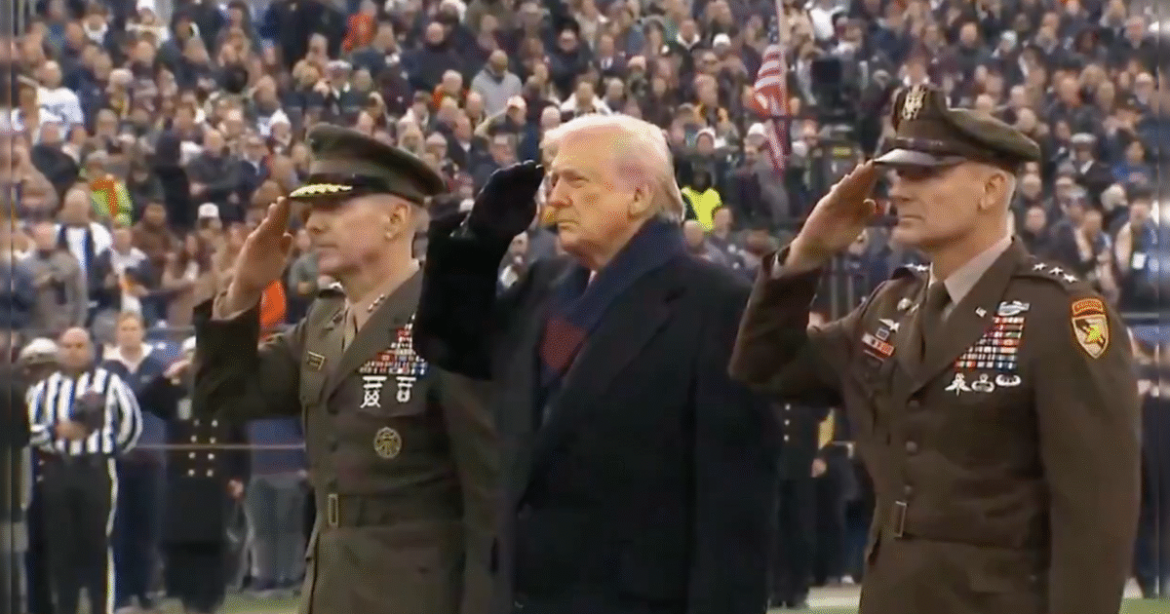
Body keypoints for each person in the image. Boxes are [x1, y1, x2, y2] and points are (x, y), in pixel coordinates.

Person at [728, 84, 1141, 614]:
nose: (898, 191)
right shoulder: (889, 306)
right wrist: (805, 255)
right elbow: (765, 366)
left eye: (923, 174)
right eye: (898, 174)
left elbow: (1095, 517)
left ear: (990, 189)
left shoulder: (1059, 315)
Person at [415, 113, 777, 614]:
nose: (553, 200)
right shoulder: (547, 285)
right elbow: (452, 344)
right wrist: (478, 242)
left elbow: (734, 513)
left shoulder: (718, 305)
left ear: (638, 197)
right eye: (553, 181)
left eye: (575, 181)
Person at [192, 124, 496, 614]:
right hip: (331, 585)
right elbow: (223, 397)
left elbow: (489, 490)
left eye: (335, 207)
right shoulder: (325, 318)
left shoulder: (449, 316)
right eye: (311, 210)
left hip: (418, 594)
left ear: (396, 219)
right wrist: (243, 291)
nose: (313, 225)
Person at [25, 327, 143, 614]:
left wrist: (109, 450)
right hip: (57, 470)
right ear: (59, 350)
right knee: (60, 545)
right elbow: (26, 428)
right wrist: (55, 432)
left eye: (79, 346)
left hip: (95, 470)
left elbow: (131, 424)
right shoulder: (43, 389)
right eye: (67, 346)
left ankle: (101, 608)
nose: (73, 352)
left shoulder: (110, 384)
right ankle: (65, 607)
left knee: (97, 544)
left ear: (90, 349)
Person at [139, 337, 249, 614]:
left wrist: (239, 477)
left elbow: (241, 441)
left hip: (215, 484)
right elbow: (143, 401)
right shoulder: (174, 395)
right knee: (181, 546)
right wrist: (168, 376)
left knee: (212, 547)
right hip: (182, 484)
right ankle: (187, 599)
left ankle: (209, 601)